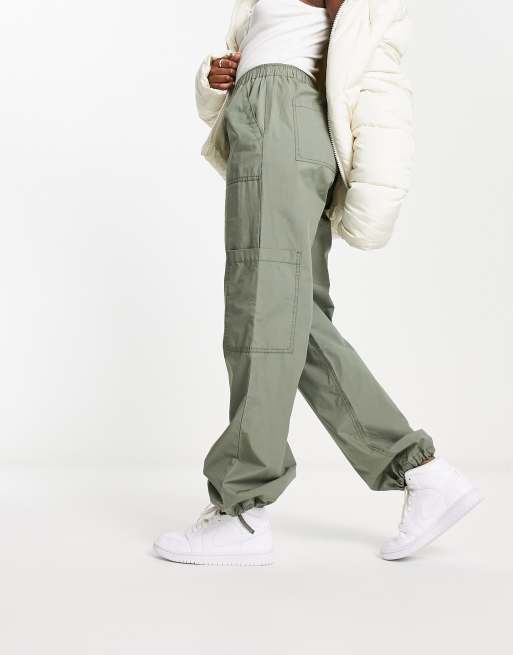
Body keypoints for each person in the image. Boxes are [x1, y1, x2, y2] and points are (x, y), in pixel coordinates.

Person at [154, 0, 482, 565]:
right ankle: (421, 473)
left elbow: (350, 58)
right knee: (293, 318)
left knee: (262, 309)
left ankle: (242, 511)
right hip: (279, 119)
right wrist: (221, 78)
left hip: (282, 117)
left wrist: (273, 93)